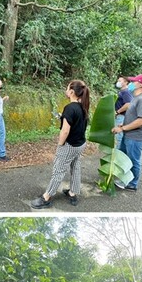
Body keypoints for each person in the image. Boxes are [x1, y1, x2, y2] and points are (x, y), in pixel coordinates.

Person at [31, 80, 90, 209]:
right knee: (76, 167)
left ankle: (46, 197)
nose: (65, 90)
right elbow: (77, 123)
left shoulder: (69, 108)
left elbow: (65, 131)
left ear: (71, 92)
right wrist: (63, 118)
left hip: (69, 145)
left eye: (67, 88)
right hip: (80, 144)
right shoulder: (83, 106)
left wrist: (60, 144)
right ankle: (73, 193)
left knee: (58, 170)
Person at [112, 75, 142, 192]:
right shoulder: (136, 97)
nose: (131, 83)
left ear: (140, 85)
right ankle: (124, 179)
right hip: (129, 134)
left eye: (134, 81)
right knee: (124, 158)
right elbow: (133, 116)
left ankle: (132, 184)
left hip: (136, 137)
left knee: (133, 160)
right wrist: (122, 125)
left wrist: (123, 128)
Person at [113, 76, 133, 151]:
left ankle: (117, 153)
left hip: (121, 116)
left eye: (120, 81)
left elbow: (128, 104)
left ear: (126, 82)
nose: (118, 82)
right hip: (119, 116)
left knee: (119, 135)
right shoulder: (121, 91)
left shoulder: (126, 92)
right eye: (118, 80)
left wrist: (118, 111)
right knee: (117, 134)